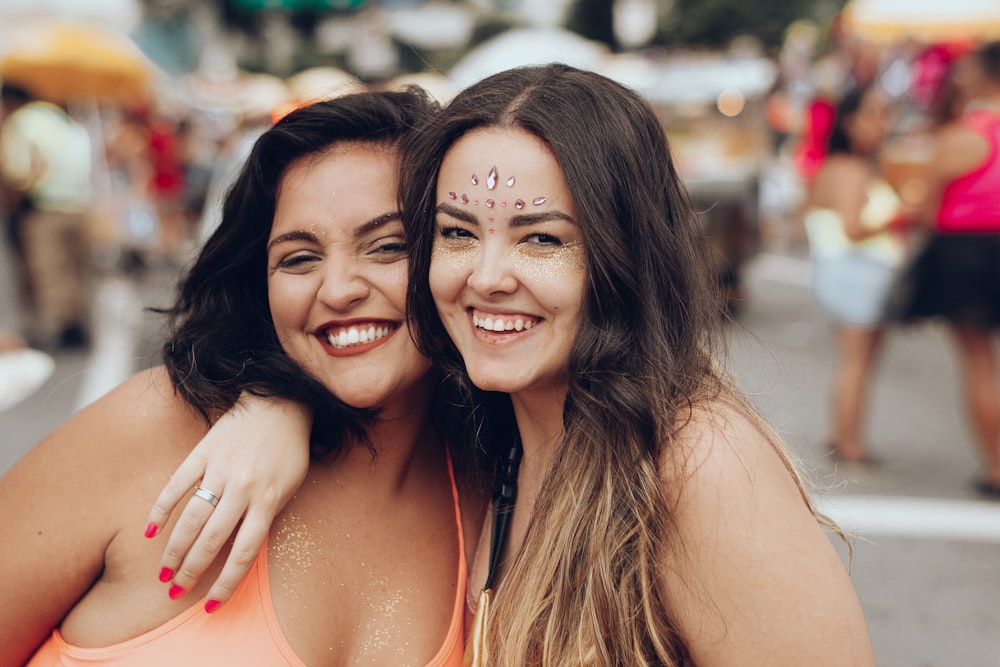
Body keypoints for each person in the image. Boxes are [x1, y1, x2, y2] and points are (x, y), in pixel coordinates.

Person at [149, 65, 876, 665]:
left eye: (541, 239)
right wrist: (275, 406)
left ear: (621, 255)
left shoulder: (696, 463)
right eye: (458, 233)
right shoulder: (480, 435)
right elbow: (346, 339)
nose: (487, 276)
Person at [0, 90, 472, 666]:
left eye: (388, 246)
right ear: (260, 284)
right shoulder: (155, 430)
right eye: (299, 258)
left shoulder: (493, 486)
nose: (339, 288)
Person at [887, 41, 1000, 499]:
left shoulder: (964, 134)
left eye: (967, 70)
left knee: (979, 363)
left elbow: (927, 210)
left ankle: (996, 468)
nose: (958, 76)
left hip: (966, 253)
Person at [802, 84, 906, 464]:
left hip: (847, 273)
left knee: (854, 362)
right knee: (857, 363)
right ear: (850, 123)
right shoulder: (852, 169)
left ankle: (841, 434)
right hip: (857, 273)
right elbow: (853, 228)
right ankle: (849, 443)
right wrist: (900, 215)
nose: (882, 124)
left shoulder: (837, 167)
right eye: (874, 115)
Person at [0, 83, 93, 350]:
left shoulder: (22, 121)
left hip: (44, 206)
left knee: (52, 268)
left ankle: (67, 328)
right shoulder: (61, 118)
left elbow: (19, 167)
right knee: (76, 267)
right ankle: (77, 322)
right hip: (78, 203)